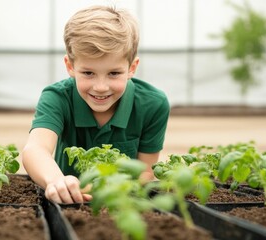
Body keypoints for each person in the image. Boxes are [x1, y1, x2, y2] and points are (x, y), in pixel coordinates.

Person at [22, 5, 170, 204]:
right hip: (69, 204)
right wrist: (56, 181)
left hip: (122, 203)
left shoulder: (153, 104)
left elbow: (145, 172)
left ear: (131, 68)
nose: (101, 87)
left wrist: (111, 192)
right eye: (88, 73)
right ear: (70, 66)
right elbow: (36, 148)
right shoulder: (57, 97)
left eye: (114, 73)